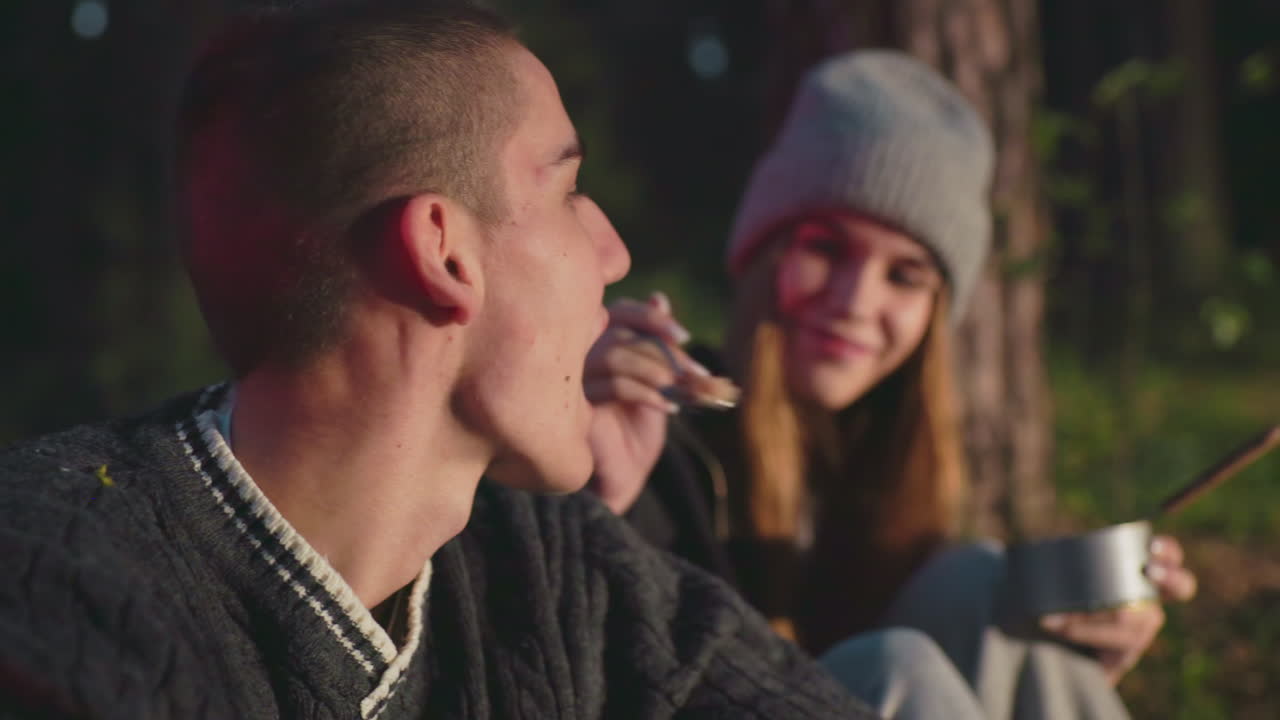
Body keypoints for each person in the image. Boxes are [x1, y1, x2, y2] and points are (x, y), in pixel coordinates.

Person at [0, 3, 883, 717]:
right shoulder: (55, 590)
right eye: (570, 193)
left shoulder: (554, 563)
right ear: (445, 254)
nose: (613, 256)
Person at [585, 50, 1198, 719]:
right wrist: (587, 492)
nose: (855, 300)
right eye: (826, 248)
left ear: (936, 314)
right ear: (763, 253)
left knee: (986, 588)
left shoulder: (886, 464)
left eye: (905, 276)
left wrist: (1074, 668)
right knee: (893, 665)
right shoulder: (658, 419)